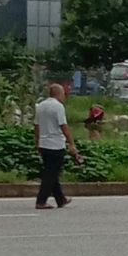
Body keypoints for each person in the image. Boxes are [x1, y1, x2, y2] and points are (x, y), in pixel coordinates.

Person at [34, 82, 82, 210]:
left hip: (44, 144)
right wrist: (71, 143)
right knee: (51, 174)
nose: (64, 97)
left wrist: (37, 142)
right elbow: (64, 126)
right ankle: (41, 200)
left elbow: (37, 126)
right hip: (56, 144)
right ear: (59, 94)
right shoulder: (58, 107)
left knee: (52, 172)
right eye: (64, 94)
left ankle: (60, 199)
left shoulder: (40, 106)